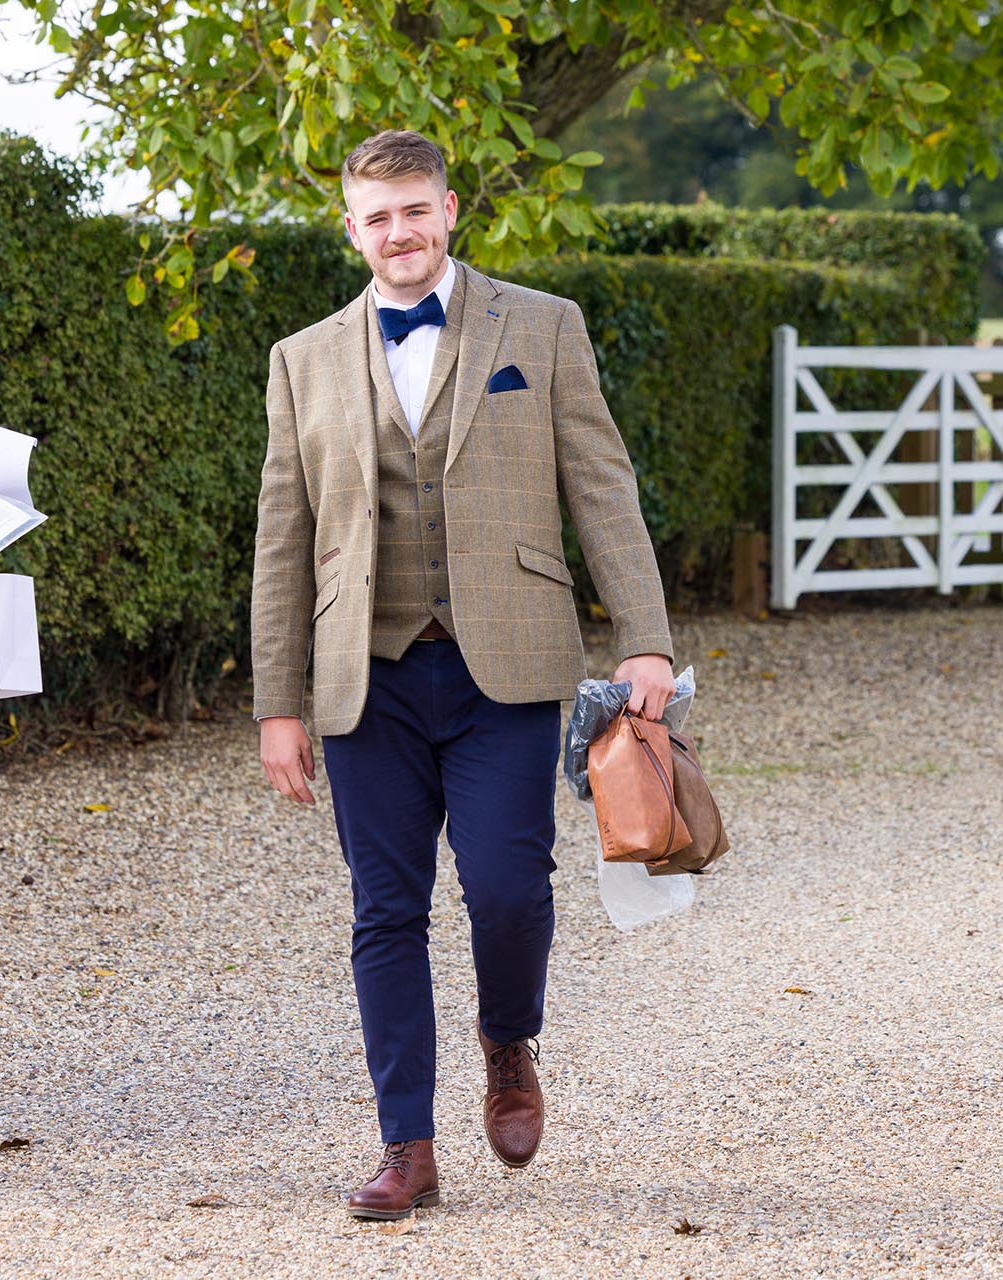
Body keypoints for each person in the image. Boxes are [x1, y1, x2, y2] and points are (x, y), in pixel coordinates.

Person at [250, 129, 675, 1219]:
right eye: (376, 217)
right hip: (366, 676)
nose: (398, 232)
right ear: (352, 228)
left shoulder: (542, 325)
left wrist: (645, 638)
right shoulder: (300, 359)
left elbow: (603, 486)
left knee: (507, 888)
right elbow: (283, 538)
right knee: (383, 910)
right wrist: (278, 702)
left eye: (415, 211)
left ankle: (507, 1038)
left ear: (448, 213)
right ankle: (408, 1144)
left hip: (507, 666)